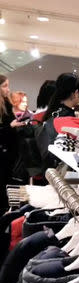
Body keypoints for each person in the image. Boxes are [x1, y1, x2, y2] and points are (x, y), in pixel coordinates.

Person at [0, 75, 25, 213]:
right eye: (4, 86)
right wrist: (10, 126)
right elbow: (5, 127)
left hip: (10, 152)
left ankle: (11, 213)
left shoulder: (7, 103)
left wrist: (16, 120)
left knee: (10, 185)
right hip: (3, 153)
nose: (7, 89)